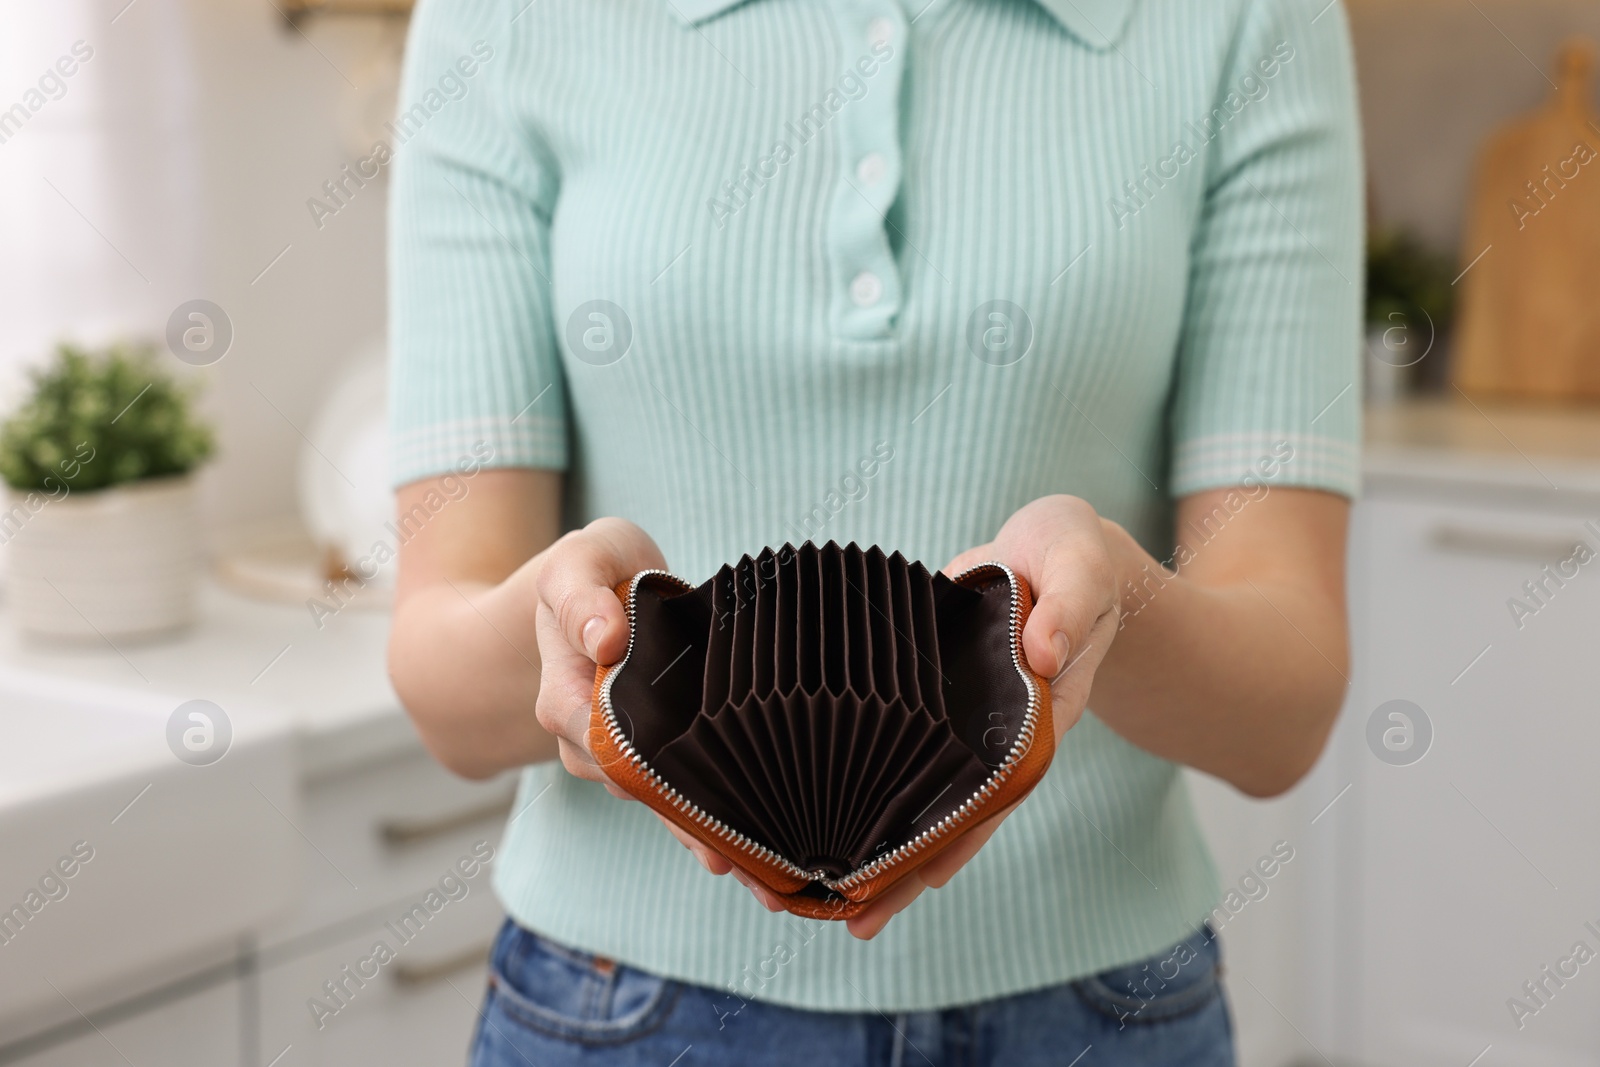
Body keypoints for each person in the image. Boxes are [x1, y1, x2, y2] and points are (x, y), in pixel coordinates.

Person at [386, 0, 1362, 1061]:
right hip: (621, 1014)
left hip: (1102, 1014)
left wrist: (1106, 599)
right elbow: (445, 693)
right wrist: (565, 627)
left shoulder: (1243, 19)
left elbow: (1282, 716)